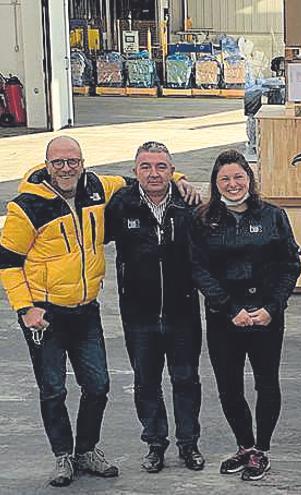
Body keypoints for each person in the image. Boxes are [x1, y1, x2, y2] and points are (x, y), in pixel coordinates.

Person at [0, 136, 198, 487]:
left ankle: (86, 450)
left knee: (98, 386)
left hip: (86, 310)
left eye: (72, 161)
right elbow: (8, 260)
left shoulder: (97, 187)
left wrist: (179, 176)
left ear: (82, 162)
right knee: (53, 389)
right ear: (47, 164)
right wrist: (25, 308)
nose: (66, 168)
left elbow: (142, 175)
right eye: (58, 162)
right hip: (44, 314)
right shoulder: (28, 205)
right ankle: (63, 456)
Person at [189, 150, 301, 482]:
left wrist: (273, 307)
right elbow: (198, 269)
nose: (233, 184)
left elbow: (290, 265)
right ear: (215, 183)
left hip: (266, 316)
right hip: (225, 318)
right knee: (229, 386)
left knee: (266, 383)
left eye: (239, 177)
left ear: (249, 180)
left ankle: (261, 449)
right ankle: (244, 446)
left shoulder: (273, 216)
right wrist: (229, 308)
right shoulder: (203, 219)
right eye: (225, 178)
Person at [104, 141, 204, 474]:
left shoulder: (187, 205)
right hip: (138, 316)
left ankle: (189, 445)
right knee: (146, 382)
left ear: (172, 171)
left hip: (183, 313)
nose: (154, 173)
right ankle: (155, 445)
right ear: (135, 172)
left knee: (186, 380)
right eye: (146, 166)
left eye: (162, 166)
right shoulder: (121, 205)